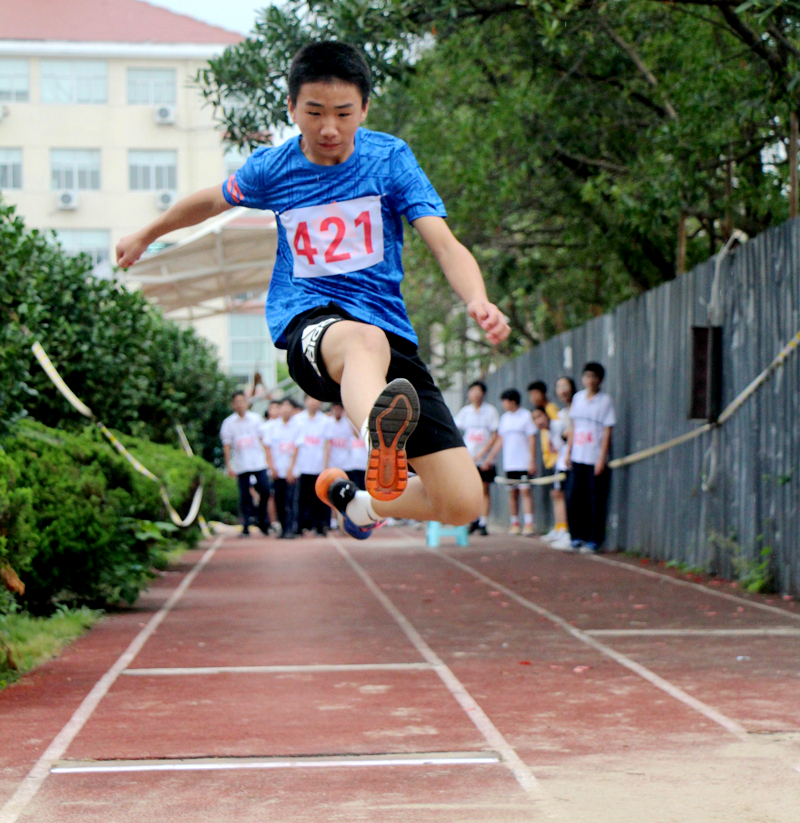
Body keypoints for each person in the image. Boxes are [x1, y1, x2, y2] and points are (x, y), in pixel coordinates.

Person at [115, 40, 508, 542]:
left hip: (388, 339)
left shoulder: (389, 160)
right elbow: (210, 201)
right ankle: (378, 441)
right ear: (291, 109)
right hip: (312, 325)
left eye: (344, 113)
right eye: (314, 112)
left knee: (461, 501)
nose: (329, 128)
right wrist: (146, 234)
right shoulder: (274, 169)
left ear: (364, 108)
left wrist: (477, 298)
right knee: (362, 340)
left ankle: (358, 501)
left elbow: (444, 244)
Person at [564, 362, 616, 552]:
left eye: (594, 376)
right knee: (574, 498)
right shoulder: (577, 398)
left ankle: (595, 540)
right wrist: (568, 452)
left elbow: (607, 430)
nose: (590, 380)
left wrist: (602, 458)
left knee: (595, 500)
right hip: (577, 456)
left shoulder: (605, 401)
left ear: (600, 380)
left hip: (594, 458)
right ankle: (576, 536)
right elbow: (573, 426)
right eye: (587, 376)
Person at [220, 391, 272, 537]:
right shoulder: (228, 423)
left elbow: (264, 440)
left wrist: (268, 460)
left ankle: (262, 519)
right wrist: (229, 465)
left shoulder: (256, 419)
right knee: (244, 495)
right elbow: (227, 445)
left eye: (242, 401)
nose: (240, 404)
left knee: (266, 490)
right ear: (232, 405)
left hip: (258, 462)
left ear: (247, 402)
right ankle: (246, 524)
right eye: (236, 402)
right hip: (241, 464)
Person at [487, 389, 537, 536]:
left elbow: (532, 439)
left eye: (505, 401)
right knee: (512, 493)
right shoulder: (504, 418)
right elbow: (500, 440)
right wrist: (490, 458)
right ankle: (514, 523)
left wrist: (531, 461)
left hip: (523, 462)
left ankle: (529, 523)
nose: (503, 404)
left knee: (525, 491)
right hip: (510, 463)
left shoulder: (526, 416)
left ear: (512, 401)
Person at [454, 380, 499, 535]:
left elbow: (495, 434)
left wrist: (484, 454)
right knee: (471, 490)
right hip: (469, 459)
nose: (475, 394)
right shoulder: (465, 412)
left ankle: (483, 522)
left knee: (484, 490)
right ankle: (473, 519)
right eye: (472, 391)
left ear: (484, 393)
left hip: (484, 459)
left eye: (478, 391)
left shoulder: (490, 411)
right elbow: (455, 428)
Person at [290, 396, 331, 536]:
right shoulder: (297, 420)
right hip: (303, 465)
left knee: (320, 498)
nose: (314, 402)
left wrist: (325, 466)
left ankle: (320, 525)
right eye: (310, 399)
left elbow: (327, 444)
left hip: (318, 465)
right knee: (301, 498)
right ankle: (300, 525)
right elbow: (294, 444)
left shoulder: (325, 421)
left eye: (316, 399)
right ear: (305, 401)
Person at [262, 397, 300, 538]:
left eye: (288, 406)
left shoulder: (297, 426)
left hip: (292, 471)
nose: (285, 409)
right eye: (283, 406)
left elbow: (297, 449)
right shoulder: (272, 427)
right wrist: (271, 467)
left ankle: (290, 528)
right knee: (279, 500)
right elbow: (268, 448)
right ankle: (283, 528)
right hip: (277, 471)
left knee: (291, 500)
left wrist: (291, 469)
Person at [546, 375, 576, 550]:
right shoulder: (561, 414)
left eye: (565, 386)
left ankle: (572, 533)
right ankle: (563, 529)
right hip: (562, 461)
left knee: (571, 497)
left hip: (575, 460)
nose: (562, 390)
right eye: (559, 387)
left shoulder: (578, 410)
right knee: (558, 494)